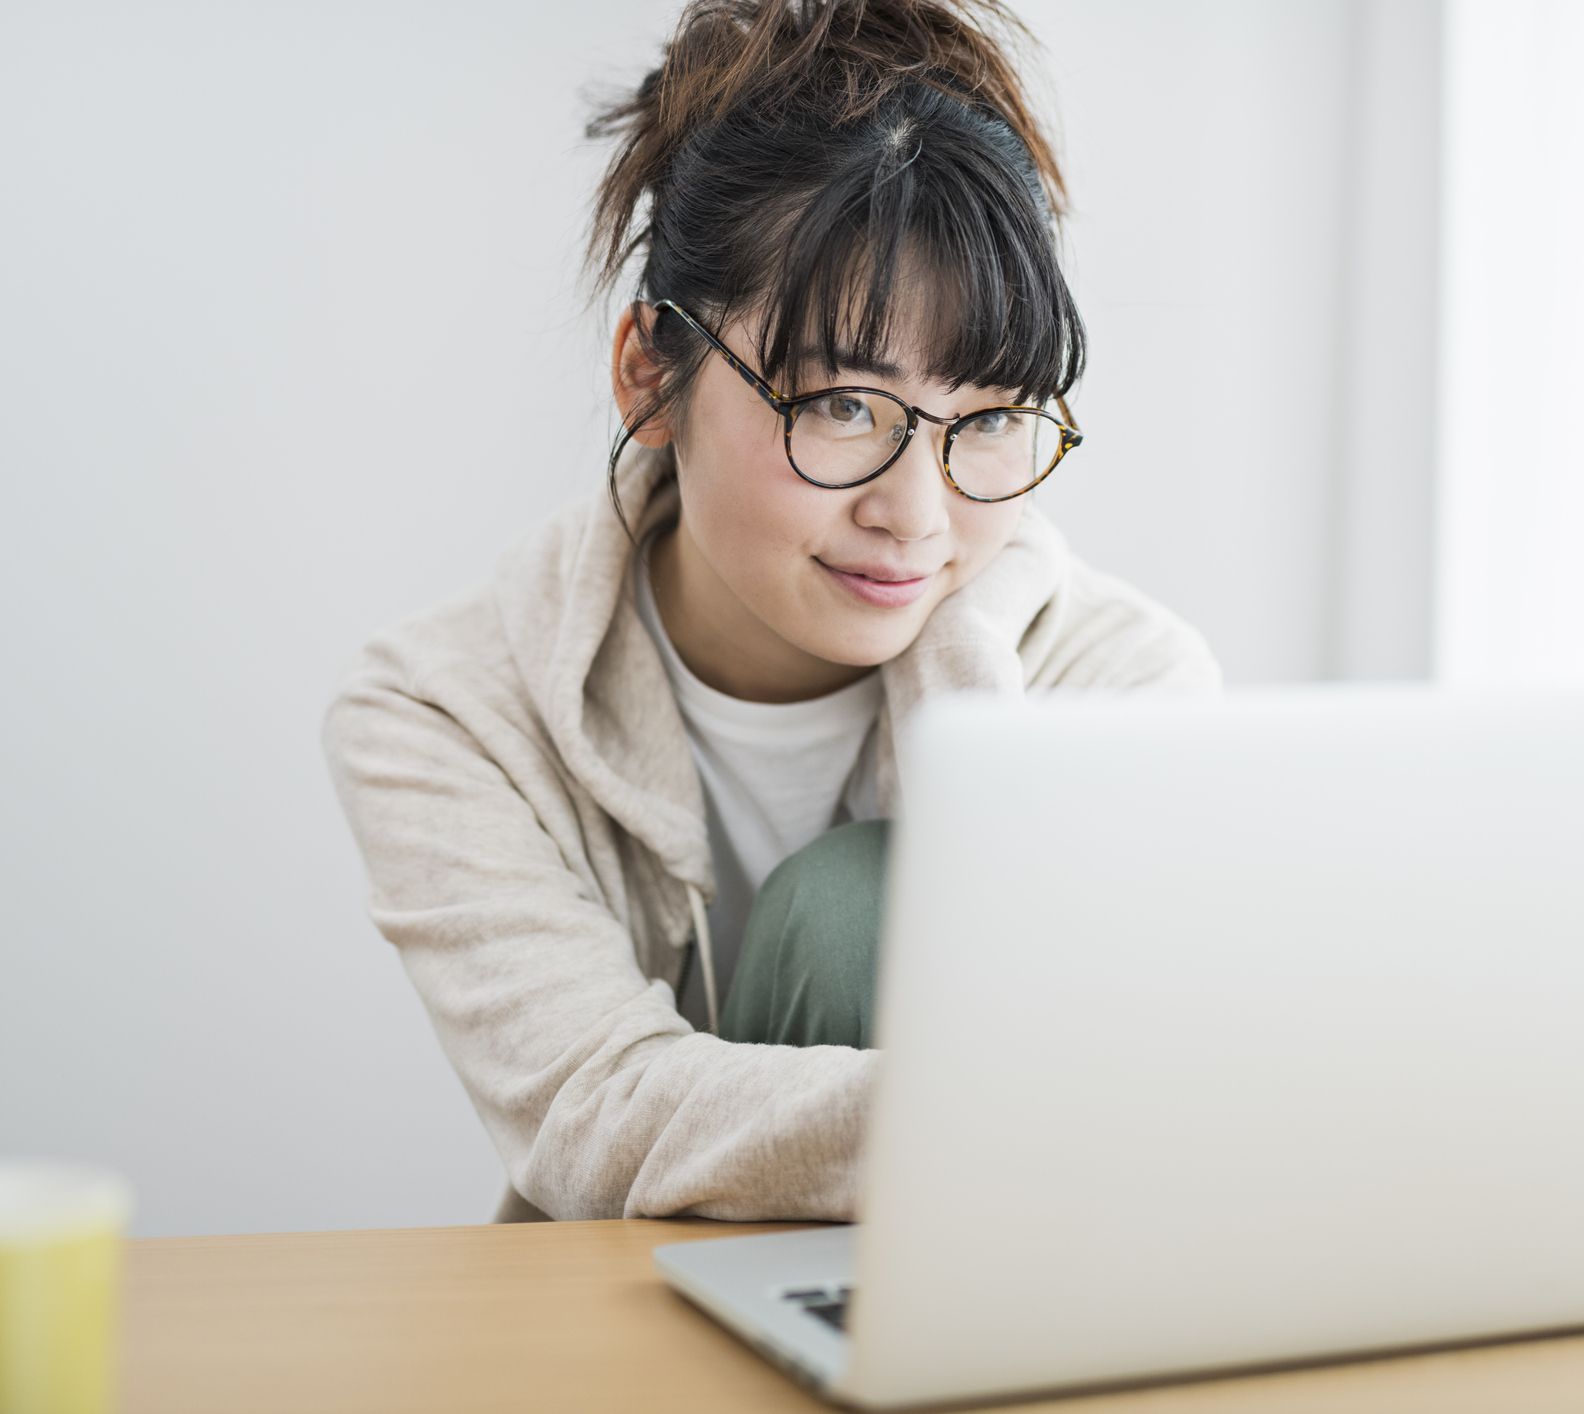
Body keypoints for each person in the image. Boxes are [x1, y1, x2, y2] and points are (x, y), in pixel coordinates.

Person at [323, 0, 1218, 1225]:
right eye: (845, 405)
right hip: (622, 1333)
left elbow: (1160, 1105)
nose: (916, 513)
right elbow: (598, 1117)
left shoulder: (1116, 681)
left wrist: (966, 672)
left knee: (858, 902)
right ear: (652, 374)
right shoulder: (450, 711)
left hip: (989, 1326)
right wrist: (1027, 1124)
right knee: (849, 914)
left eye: (994, 419)